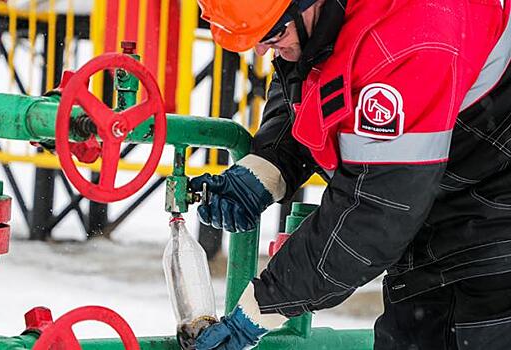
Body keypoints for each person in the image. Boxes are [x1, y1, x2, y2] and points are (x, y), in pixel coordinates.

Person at [191, 0, 511, 349]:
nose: (261, 50)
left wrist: (263, 305)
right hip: (454, 210)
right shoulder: (332, 18)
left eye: (272, 34)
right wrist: (267, 167)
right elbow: (317, 78)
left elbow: (375, 211)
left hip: (489, 231)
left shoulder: (408, 41)